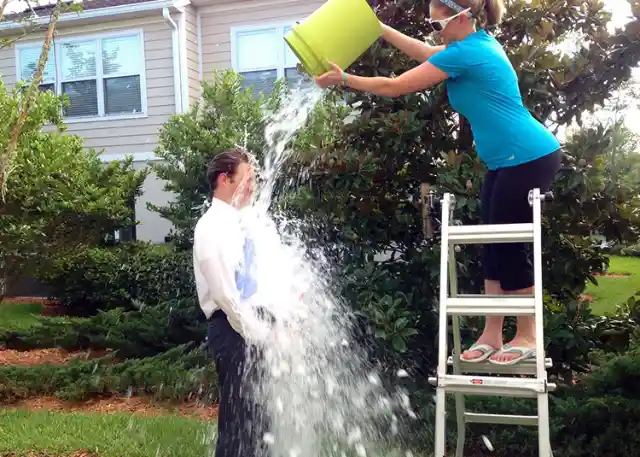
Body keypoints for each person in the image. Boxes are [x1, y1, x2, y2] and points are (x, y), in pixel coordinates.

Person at [314, 0, 562, 365]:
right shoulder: (469, 46)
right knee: (491, 247)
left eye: (437, 25)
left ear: (462, 17)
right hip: (504, 162)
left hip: (528, 157)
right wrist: (379, 29)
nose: (436, 32)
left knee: (509, 245)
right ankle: (493, 333)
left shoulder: (470, 54)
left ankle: (526, 334)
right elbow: (428, 52)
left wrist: (345, 80)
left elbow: (395, 86)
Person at [193, 147, 272, 457]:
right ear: (225, 179)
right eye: (247, 179)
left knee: (261, 420)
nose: (252, 187)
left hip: (250, 325)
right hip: (233, 330)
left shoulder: (242, 223)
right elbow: (226, 296)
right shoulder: (211, 227)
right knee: (239, 423)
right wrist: (258, 333)